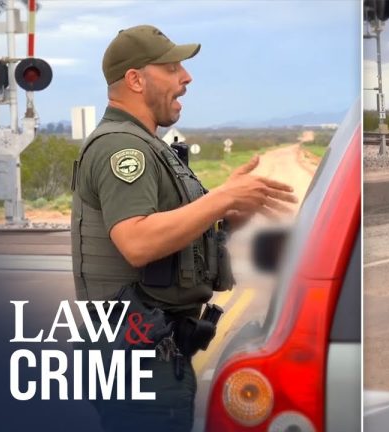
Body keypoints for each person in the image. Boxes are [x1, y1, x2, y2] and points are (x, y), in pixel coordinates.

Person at [70, 25, 297, 431]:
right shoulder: (122, 148)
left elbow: (176, 230)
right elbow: (137, 241)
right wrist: (222, 198)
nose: (186, 78)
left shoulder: (150, 145)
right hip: (136, 357)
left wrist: (230, 208)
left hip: (153, 350)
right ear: (136, 80)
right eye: (173, 68)